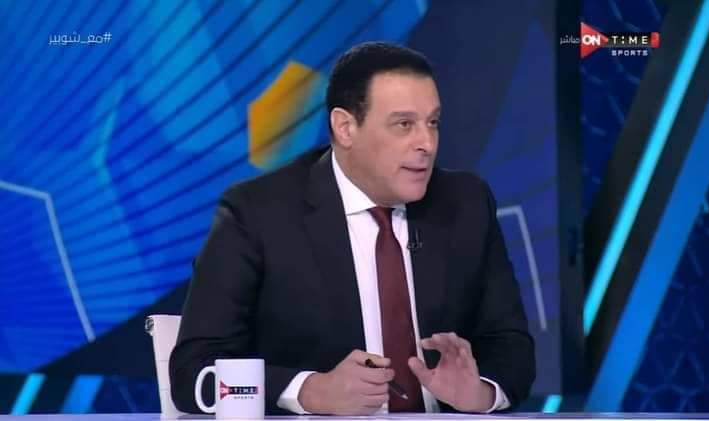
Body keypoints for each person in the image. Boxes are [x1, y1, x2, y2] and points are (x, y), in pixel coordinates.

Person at [169, 41, 535, 415]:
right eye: (404, 124)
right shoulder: (257, 214)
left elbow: (512, 347)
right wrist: (308, 391)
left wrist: (480, 393)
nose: (427, 143)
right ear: (345, 128)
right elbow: (193, 373)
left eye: (433, 123)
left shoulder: (465, 203)